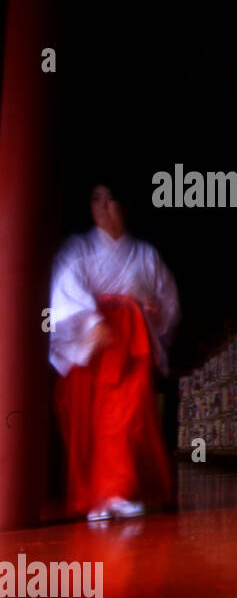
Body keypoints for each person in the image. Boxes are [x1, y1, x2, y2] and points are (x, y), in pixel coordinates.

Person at [49, 182, 181, 521]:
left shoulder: (146, 255)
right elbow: (65, 286)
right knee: (87, 421)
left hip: (131, 342)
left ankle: (117, 491)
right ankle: (99, 496)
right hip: (94, 342)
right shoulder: (79, 250)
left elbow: (167, 301)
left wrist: (152, 311)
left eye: (111, 200)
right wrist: (91, 321)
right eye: (96, 199)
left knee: (125, 419)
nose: (103, 207)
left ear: (126, 208)